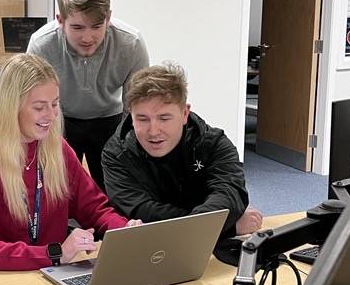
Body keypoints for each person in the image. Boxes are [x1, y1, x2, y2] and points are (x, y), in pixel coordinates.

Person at [0, 53, 141, 271]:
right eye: (39, 107)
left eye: (54, 104)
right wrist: (55, 254)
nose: (51, 115)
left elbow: (95, 209)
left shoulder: (55, 149)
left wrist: (124, 229)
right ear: (11, 107)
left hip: (51, 275)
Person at [102, 62, 263, 238]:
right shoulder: (116, 154)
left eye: (164, 118)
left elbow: (230, 195)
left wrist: (211, 224)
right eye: (142, 119)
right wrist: (227, 228)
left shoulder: (214, 144)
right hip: (149, 245)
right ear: (130, 115)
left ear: (185, 114)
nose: (153, 131)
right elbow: (142, 212)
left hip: (209, 246)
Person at [27, 0, 149, 192]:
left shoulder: (132, 43)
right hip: (59, 120)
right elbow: (28, 103)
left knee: (115, 192)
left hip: (110, 121)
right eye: (77, 27)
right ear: (60, 20)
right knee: (57, 191)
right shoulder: (41, 45)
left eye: (96, 26)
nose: (87, 37)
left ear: (108, 17)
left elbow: (138, 107)